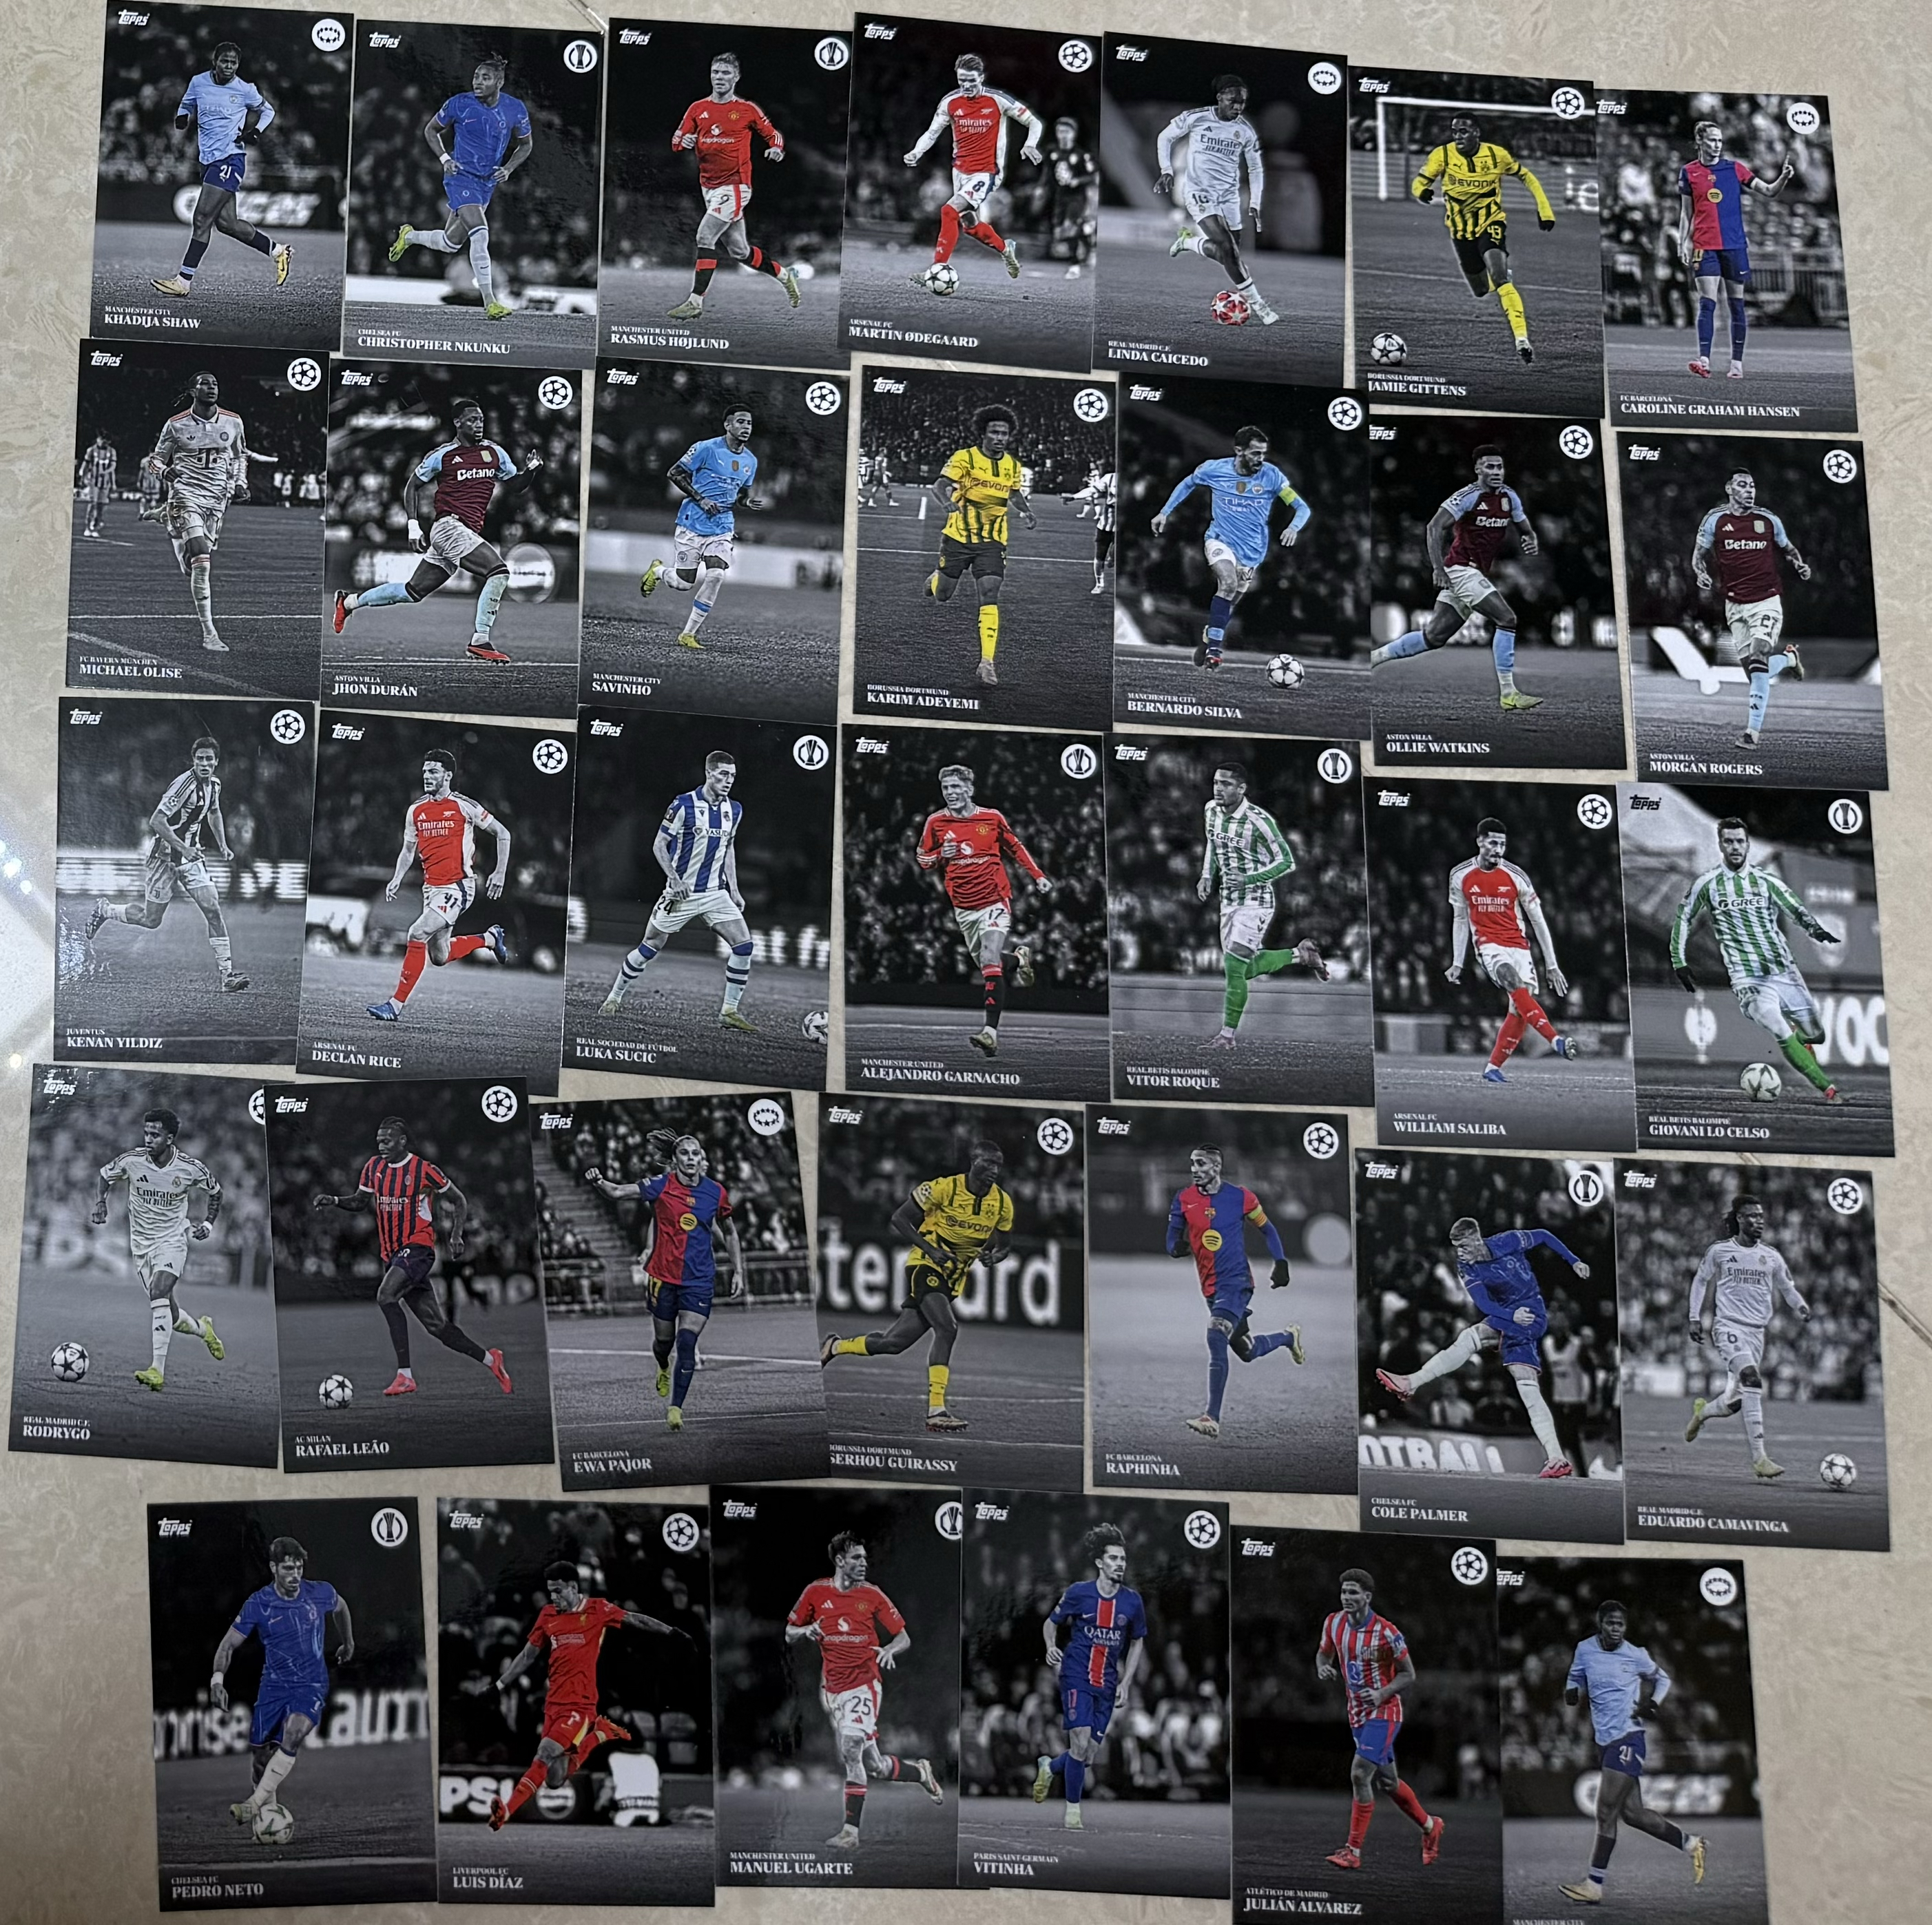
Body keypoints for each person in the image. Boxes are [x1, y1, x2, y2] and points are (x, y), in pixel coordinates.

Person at [310, 1114, 513, 1397]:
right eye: (379, 1141)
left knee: (386, 1296)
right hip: (392, 1255)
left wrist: (456, 1235)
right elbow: (359, 1201)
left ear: (402, 1141)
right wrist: (334, 1200)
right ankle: (492, 1361)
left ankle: (405, 1375)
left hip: (418, 1248)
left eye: (387, 1141)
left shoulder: (424, 1170)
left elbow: (458, 1200)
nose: (381, 1146)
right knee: (437, 1326)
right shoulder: (373, 1167)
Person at [331, 395, 546, 664]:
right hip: (449, 527)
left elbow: (515, 485)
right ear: (458, 423)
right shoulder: (443, 455)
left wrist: (531, 471)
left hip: (465, 532)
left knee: (412, 592)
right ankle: (480, 640)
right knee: (499, 572)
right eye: (472, 420)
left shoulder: (494, 453)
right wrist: (413, 526)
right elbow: (412, 486)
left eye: (481, 420)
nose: (479, 425)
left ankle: (348, 602)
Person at [1375, 1214, 1589, 1478]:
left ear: (1477, 1238)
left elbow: (1544, 1235)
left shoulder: (1509, 1241)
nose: (1461, 1253)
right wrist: (1511, 1316)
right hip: (1511, 1316)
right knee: (1528, 1388)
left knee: (1470, 1337)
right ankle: (1556, 1457)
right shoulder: (1466, 1266)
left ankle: (1412, 1382)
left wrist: (1574, 1260)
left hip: (1531, 1312)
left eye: (1464, 1246)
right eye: (1457, 1248)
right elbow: (1483, 1304)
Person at [821, 1138, 1011, 1433]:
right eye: (988, 1163)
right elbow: (899, 1218)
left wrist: (994, 1256)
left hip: (953, 1277)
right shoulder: (944, 1188)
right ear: (974, 1162)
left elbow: (1004, 1246)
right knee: (947, 1328)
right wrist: (931, 1250)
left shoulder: (1002, 1203)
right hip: (925, 1263)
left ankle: (835, 1346)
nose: (994, 1171)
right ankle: (936, 1410)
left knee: (893, 1343)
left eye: (998, 1165)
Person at [485, 1560, 687, 1827]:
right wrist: (498, 1686)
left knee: (544, 1754)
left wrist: (671, 1632)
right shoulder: (547, 1615)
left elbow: (635, 1619)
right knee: (554, 1780)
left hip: (579, 1705)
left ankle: (506, 1811)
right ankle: (598, 1734)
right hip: (553, 1705)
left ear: (573, 1587)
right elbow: (526, 1656)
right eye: (550, 1592)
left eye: (558, 1591)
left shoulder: (597, 1609)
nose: (554, 1597)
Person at [1669, 815, 1844, 1102]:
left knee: (1816, 1034)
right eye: (1729, 842)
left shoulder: (1766, 882)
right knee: (1777, 1026)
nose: (1735, 847)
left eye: (1740, 841)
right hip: (1747, 978)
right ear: (1721, 845)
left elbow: (1796, 909)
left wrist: (1816, 930)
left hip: (1784, 971)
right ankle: (1828, 1088)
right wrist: (1679, 961)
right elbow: (1683, 919)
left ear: (1748, 844)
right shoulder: (1707, 884)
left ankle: (1801, 1044)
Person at [787, 1532, 943, 1849]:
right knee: (875, 1766)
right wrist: (806, 1631)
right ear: (840, 1561)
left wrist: (889, 1650)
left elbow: (903, 1637)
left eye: (865, 1558)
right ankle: (920, 1773)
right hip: (832, 1689)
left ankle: (850, 1833)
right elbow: (789, 1633)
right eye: (857, 1558)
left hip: (864, 1684)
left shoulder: (872, 1595)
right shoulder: (816, 1592)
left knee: (850, 1748)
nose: (864, 1563)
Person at [581, 1134, 743, 1430]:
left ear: (701, 1158)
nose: (691, 1158)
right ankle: (663, 1366)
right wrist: (599, 1182)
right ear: (676, 1159)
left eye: (695, 1153)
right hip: (663, 1277)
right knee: (663, 1343)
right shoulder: (661, 1185)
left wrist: (739, 1271)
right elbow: (618, 1192)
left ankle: (675, 1409)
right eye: (685, 1153)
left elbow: (730, 1232)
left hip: (699, 1280)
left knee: (687, 1341)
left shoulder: (715, 1192)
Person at [1369, 444, 1544, 709]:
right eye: (1490, 467)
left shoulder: (1509, 497)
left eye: (1500, 467)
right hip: (1461, 569)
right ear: (1478, 469)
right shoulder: (1467, 497)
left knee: (1433, 638)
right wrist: (1438, 568)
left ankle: (1374, 658)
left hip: (1473, 572)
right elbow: (1434, 527)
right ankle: (1509, 694)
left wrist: (1530, 537)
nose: (1497, 472)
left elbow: (1523, 523)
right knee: (1507, 619)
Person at [1559, 1599, 1708, 1904]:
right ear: (1600, 1624)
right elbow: (1575, 1675)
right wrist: (1571, 1690)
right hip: (1605, 1741)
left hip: (1628, 1738)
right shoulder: (1585, 1650)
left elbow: (1663, 1679)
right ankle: (1691, 1844)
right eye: (1611, 1623)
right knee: (1633, 1815)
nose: (1616, 1629)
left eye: (1621, 1624)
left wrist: (1653, 1703)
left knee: (1605, 1811)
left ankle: (1594, 1885)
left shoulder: (1636, 1654)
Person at [599, 750, 757, 1032]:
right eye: (723, 774)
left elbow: (728, 847)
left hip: (715, 893)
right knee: (649, 947)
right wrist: (674, 879)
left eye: (733, 775)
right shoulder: (684, 804)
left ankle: (729, 1011)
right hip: (681, 894)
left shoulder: (734, 810)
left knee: (744, 945)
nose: (729, 780)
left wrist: (734, 889)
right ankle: (614, 998)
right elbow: (659, 844)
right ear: (708, 773)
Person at [86, 734, 249, 991]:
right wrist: (183, 848)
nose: (204, 764)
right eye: (199, 759)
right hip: (164, 858)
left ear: (216, 761)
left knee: (213, 909)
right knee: (151, 920)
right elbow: (157, 821)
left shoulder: (215, 785)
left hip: (192, 858)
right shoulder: (183, 785)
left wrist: (223, 845)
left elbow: (214, 812)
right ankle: (105, 910)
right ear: (193, 760)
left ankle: (227, 977)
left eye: (209, 759)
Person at [212, 1537, 352, 1831]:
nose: (295, 1575)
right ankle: (268, 1819)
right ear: (274, 1568)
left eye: (299, 1568)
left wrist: (348, 1643)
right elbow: (227, 1645)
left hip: (311, 1684)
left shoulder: (319, 1592)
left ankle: (252, 1806)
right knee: (261, 1757)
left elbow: (341, 1607)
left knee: (293, 1733)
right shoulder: (259, 1604)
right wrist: (217, 1680)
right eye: (288, 1568)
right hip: (274, 1687)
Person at [913, 763, 1052, 1058]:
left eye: (955, 787)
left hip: (994, 899)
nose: (950, 792)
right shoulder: (936, 822)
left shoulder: (991, 818)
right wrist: (940, 855)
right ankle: (1019, 959)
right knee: (990, 965)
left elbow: (1015, 847)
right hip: (964, 907)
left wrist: (1038, 876)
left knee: (989, 958)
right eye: (945, 788)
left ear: (969, 789)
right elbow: (923, 859)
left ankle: (990, 1033)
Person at [1167, 1142, 1302, 1438]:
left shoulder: (1241, 1197)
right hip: (1210, 1288)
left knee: (1216, 1333)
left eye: (1201, 1163)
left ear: (1216, 1166)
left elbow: (1267, 1228)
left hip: (1237, 1282)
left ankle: (1211, 1417)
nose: (1194, 1169)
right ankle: (1288, 1337)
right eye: (1192, 1163)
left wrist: (1280, 1262)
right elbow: (1172, 1238)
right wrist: (1176, 1247)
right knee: (1247, 1351)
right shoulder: (1184, 1199)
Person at [366, 748, 510, 1023]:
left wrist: (500, 872)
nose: (427, 776)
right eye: (425, 772)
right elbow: (408, 850)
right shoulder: (416, 810)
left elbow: (503, 834)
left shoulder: (464, 806)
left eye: (433, 772)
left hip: (458, 887)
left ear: (448, 776)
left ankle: (394, 1006)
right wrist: (397, 878)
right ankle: (490, 939)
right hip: (431, 889)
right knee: (440, 956)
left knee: (417, 932)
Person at [1316, 1568, 1445, 1871]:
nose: (1346, 1597)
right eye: (1344, 1592)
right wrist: (1322, 1667)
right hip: (1357, 1713)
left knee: (1360, 1774)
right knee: (1388, 1782)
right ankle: (1430, 1826)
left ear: (1367, 1597)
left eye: (1353, 1592)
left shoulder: (1387, 1632)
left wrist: (1381, 1693)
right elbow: (1324, 1654)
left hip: (1385, 1710)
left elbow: (1408, 1674)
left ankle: (1353, 1851)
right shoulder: (1333, 1622)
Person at [1152, 426, 1309, 671]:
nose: (1261, 459)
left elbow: (1302, 508)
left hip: (1252, 552)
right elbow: (1188, 483)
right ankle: (1215, 651)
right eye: (1255, 453)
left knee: (1230, 603)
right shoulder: (1214, 469)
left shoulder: (1272, 476)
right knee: (1227, 584)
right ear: (1239, 451)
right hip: (1219, 540)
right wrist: (1164, 512)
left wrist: (1294, 528)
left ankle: (1209, 637)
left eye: (1263, 453)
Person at [387, 54, 531, 320]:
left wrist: (509, 168)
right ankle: (491, 302)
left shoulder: (515, 108)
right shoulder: (459, 104)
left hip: (486, 183)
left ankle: (409, 236)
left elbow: (526, 145)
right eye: (476, 76)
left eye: (485, 78)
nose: (477, 82)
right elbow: (431, 130)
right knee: (481, 234)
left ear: (499, 82)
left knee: (450, 243)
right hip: (460, 177)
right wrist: (445, 159)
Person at [1196, 762, 1328, 1050]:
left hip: (1256, 902)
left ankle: (1227, 1036)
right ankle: (1301, 956)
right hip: (1228, 901)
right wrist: (1207, 875)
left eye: (1226, 784)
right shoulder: (1210, 810)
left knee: (1234, 968)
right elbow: (1213, 843)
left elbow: (1286, 862)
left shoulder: (1258, 821)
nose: (1218, 788)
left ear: (1242, 789)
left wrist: (1249, 879)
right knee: (1242, 970)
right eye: (1216, 782)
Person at [93, 1107, 225, 1391]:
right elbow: (105, 1175)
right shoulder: (132, 1161)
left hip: (172, 1240)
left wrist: (208, 1224)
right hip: (141, 1246)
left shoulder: (190, 1168)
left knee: (158, 1292)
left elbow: (216, 1193)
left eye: (155, 1135)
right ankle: (204, 1329)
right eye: (146, 1133)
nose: (148, 1139)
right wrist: (101, 1202)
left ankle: (157, 1370)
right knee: (171, 1315)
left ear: (170, 1138)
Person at [1682, 1193, 1811, 1479]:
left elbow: (1787, 1288)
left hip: (1756, 1333)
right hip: (1728, 1327)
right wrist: (1694, 1317)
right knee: (1752, 1378)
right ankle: (1760, 1459)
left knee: (1734, 1403)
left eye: (1761, 1216)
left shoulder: (1771, 1256)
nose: (1759, 1221)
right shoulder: (1720, 1251)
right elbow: (1700, 1280)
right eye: (1753, 1216)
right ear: (1740, 1218)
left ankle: (1702, 1413)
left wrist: (1801, 1306)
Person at [665, 51, 800, 320]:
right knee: (740, 251)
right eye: (715, 72)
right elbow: (676, 140)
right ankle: (786, 276)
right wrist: (685, 142)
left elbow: (773, 135)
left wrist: (776, 148)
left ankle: (695, 302)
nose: (719, 77)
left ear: (736, 77)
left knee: (705, 237)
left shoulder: (747, 110)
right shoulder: (697, 109)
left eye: (725, 73)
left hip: (736, 186)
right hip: (709, 187)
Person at [1410, 111, 1554, 364]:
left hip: (1491, 224)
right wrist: (1422, 192)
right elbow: (1418, 183)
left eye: (1463, 131)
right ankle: (1501, 279)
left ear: (1476, 132)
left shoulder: (1497, 155)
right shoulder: (1442, 155)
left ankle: (1522, 339)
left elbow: (1527, 176)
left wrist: (1545, 210)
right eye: (1454, 132)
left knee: (1500, 278)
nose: (1458, 137)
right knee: (1480, 290)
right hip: (1460, 232)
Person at [152, 40, 291, 300]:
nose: (229, 66)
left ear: (238, 65)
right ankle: (278, 251)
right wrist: (182, 116)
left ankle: (183, 281)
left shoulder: (245, 89)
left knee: (202, 219)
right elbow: (187, 103)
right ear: (215, 62)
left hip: (230, 159)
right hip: (207, 161)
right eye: (225, 61)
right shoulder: (198, 82)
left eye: (234, 62)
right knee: (228, 224)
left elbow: (268, 111)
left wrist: (256, 132)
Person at [1445, 816, 1581, 1082]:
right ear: (1480, 842)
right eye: (1493, 843)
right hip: (1488, 945)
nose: (1498, 849)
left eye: (1502, 845)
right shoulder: (1460, 875)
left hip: (1519, 946)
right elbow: (1460, 919)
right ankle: (1555, 1041)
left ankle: (1493, 1068)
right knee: (1512, 981)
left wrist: (1552, 965)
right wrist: (1457, 962)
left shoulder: (1516, 876)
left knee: (1519, 1008)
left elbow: (1538, 921)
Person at [1031, 1523, 1147, 1830]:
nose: (1120, 1564)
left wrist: (1126, 1682)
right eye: (1113, 1558)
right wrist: (1051, 1646)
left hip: (1107, 1683)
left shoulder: (1133, 1601)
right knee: (1080, 1744)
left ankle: (1050, 1766)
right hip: (1076, 1675)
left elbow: (1137, 1641)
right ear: (1100, 1562)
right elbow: (1050, 1623)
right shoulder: (1079, 1593)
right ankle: (1073, 1813)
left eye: (1123, 1559)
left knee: (1087, 1755)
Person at [904, 52, 1043, 284]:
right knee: (970, 226)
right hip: (960, 171)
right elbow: (932, 132)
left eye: (971, 80)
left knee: (948, 211)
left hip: (987, 172)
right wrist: (917, 151)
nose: (966, 85)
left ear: (981, 78)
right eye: (962, 81)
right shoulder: (950, 102)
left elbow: (1033, 122)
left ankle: (937, 269)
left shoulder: (998, 100)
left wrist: (1030, 144)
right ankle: (1005, 249)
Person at [636, 408, 765, 650]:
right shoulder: (706, 448)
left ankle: (688, 635)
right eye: (740, 422)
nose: (746, 427)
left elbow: (740, 494)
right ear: (727, 425)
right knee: (684, 584)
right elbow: (674, 473)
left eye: (749, 423)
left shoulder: (751, 461)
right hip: (692, 522)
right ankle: (658, 571)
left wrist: (746, 502)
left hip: (722, 525)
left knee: (716, 576)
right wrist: (701, 499)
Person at [1676, 119, 1794, 380]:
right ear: (1700, 141)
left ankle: (1737, 364)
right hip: (1705, 246)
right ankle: (1704, 360)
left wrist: (1783, 178)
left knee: (1736, 305)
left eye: (1720, 140)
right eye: (1712, 140)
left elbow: (1769, 191)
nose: (1717, 145)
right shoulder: (1689, 172)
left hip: (1734, 246)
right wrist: (1682, 241)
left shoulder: (1735, 169)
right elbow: (1686, 212)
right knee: (1707, 303)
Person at [927, 404, 1034, 687]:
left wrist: (1026, 511)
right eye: (995, 432)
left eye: (1004, 434)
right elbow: (939, 486)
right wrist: (946, 502)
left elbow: (1014, 493)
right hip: (958, 538)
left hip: (992, 542)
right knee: (942, 596)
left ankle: (987, 661)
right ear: (983, 434)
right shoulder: (965, 458)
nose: (1000, 438)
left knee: (989, 594)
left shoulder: (1012, 465)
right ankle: (936, 578)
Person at [1159, 74, 1278, 323]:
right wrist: (1166, 170)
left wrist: (1255, 202)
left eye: (1242, 102)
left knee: (1229, 254)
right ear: (1220, 98)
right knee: (1228, 249)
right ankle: (1260, 306)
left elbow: (1256, 168)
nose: (1238, 107)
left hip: (1229, 196)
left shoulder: (1245, 130)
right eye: (1233, 101)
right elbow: (1165, 137)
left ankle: (1189, 243)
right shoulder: (1197, 117)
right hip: (1199, 192)